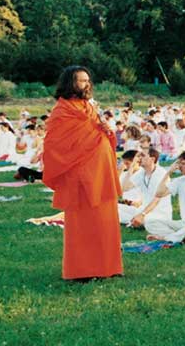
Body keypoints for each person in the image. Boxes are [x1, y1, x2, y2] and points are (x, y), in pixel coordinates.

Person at [43, 65, 123, 280]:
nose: (85, 84)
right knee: (84, 224)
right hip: (80, 177)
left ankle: (109, 267)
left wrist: (107, 131)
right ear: (70, 82)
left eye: (87, 81)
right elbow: (55, 145)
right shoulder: (62, 111)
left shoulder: (89, 106)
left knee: (105, 221)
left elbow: (98, 133)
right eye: (81, 80)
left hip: (102, 173)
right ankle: (82, 270)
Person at [119, 148, 174, 227]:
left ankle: (135, 220)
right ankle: (133, 220)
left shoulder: (161, 174)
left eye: (143, 156)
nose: (139, 158)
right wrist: (132, 165)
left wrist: (142, 215)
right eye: (139, 156)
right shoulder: (141, 173)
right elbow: (125, 188)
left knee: (144, 219)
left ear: (152, 159)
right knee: (114, 208)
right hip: (143, 210)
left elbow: (156, 200)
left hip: (159, 213)